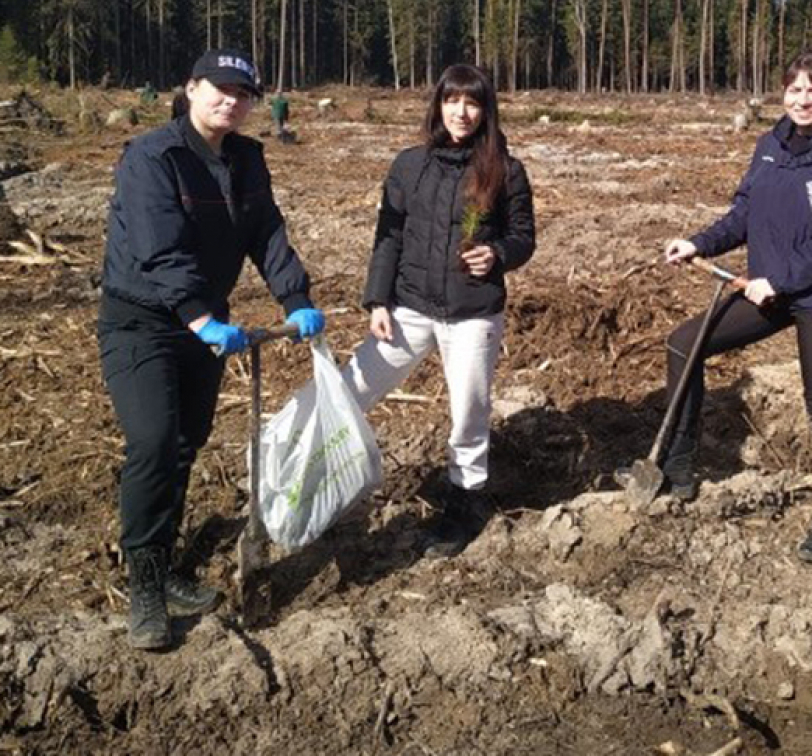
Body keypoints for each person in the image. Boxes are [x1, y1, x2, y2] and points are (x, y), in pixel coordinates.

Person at [98, 48, 326, 650]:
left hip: (205, 323)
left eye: (243, 92)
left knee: (186, 442)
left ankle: (169, 565)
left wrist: (294, 297)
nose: (232, 100)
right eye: (220, 88)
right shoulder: (153, 157)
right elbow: (157, 247)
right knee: (152, 440)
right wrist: (199, 317)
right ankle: (145, 582)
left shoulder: (247, 159)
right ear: (192, 88)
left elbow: (266, 232)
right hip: (142, 321)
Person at [662, 51, 812, 564]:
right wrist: (698, 243)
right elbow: (743, 214)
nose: (803, 99)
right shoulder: (769, 145)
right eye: (794, 89)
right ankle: (680, 465)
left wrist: (776, 278)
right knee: (684, 344)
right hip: (770, 293)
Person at [340, 64, 535, 559]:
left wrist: (497, 254)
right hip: (409, 308)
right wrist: (376, 300)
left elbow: (522, 238)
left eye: (472, 103)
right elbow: (388, 237)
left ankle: (465, 502)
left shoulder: (505, 171)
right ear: (438, 105)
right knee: (352, 388)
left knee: (469, 411)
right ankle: (316, 472)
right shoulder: (409, 166)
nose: (461, 112)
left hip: (472, 314)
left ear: (485, 110)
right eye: (452, 101)